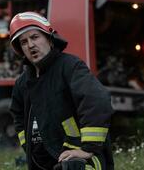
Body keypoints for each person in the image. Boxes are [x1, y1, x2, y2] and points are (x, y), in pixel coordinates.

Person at [9, 12, 114, 170]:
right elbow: (18, 118)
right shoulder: (22, 83)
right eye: (24, 42)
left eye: (35, 37)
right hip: (41, 162)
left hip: (79, 161)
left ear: (49, 39)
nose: (30, 45)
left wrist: (88, 149)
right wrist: (28, 147)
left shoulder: (70, 67)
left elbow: (97, 102)